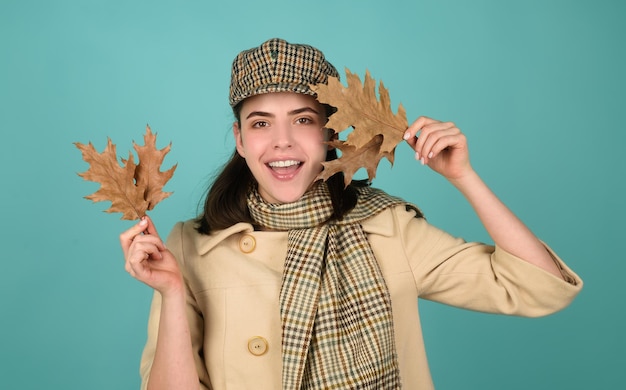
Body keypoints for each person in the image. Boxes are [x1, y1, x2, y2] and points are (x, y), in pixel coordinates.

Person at [120, 38, 582, 390]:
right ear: (241, 142)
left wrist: (464, 177)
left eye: (303, 120)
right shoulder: (190, 245)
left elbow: (539, 289)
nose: (282, 141)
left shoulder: (387, 228)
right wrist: (174, 293)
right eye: (260, 123)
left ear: (330, 135)